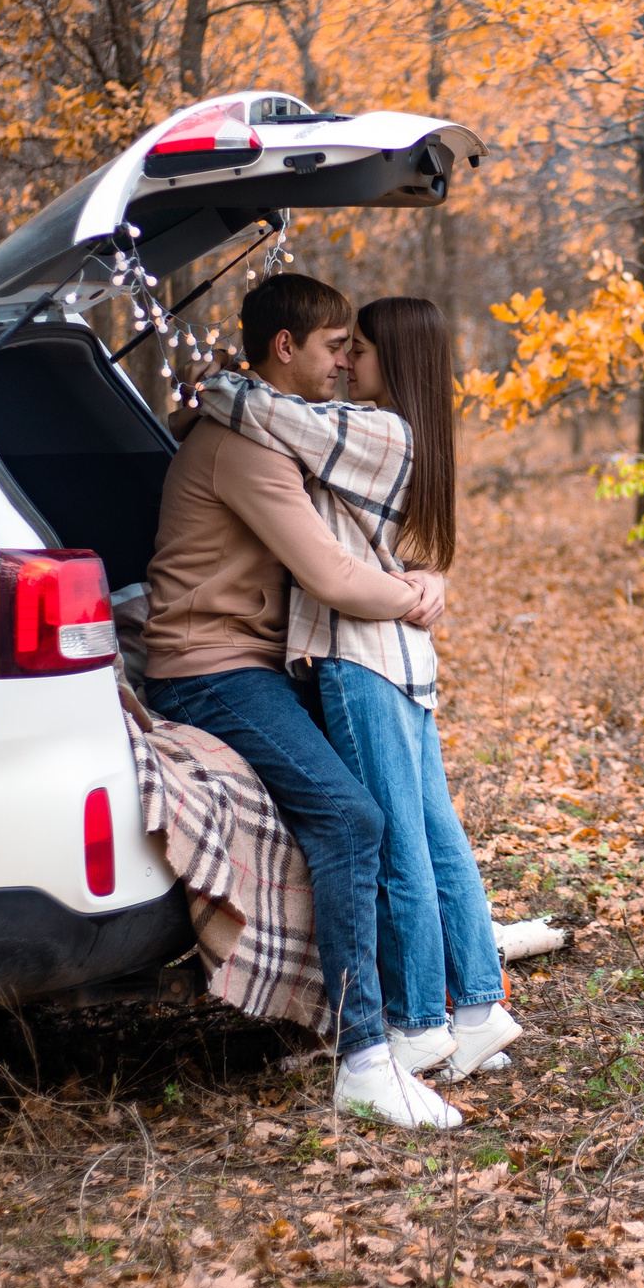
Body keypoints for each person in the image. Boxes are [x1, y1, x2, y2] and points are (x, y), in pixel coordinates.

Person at [141, 274, 462, 1130]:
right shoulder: (245, 448)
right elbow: (331, 574)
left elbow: (360, 537)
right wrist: (415, 596)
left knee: (391, 794)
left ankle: (430, 1009)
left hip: (256, 661)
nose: (345, 364)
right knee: (350, 818)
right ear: (285, 347)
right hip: (208, 669)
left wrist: (420, 572)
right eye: (332, 348)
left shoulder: (272, 429)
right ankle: (365, 1056)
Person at [205, 297, 520, 1085]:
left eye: (362, 350)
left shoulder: (374, 429)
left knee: (400, 848)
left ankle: (417, 1022)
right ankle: (478, 1009)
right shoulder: (416, 434)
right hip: (406, 654)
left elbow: (264, 409)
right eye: (343, 349)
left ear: (395, 361)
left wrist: (206, 387)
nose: (348, 362)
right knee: (439, 837)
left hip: (362, 654)